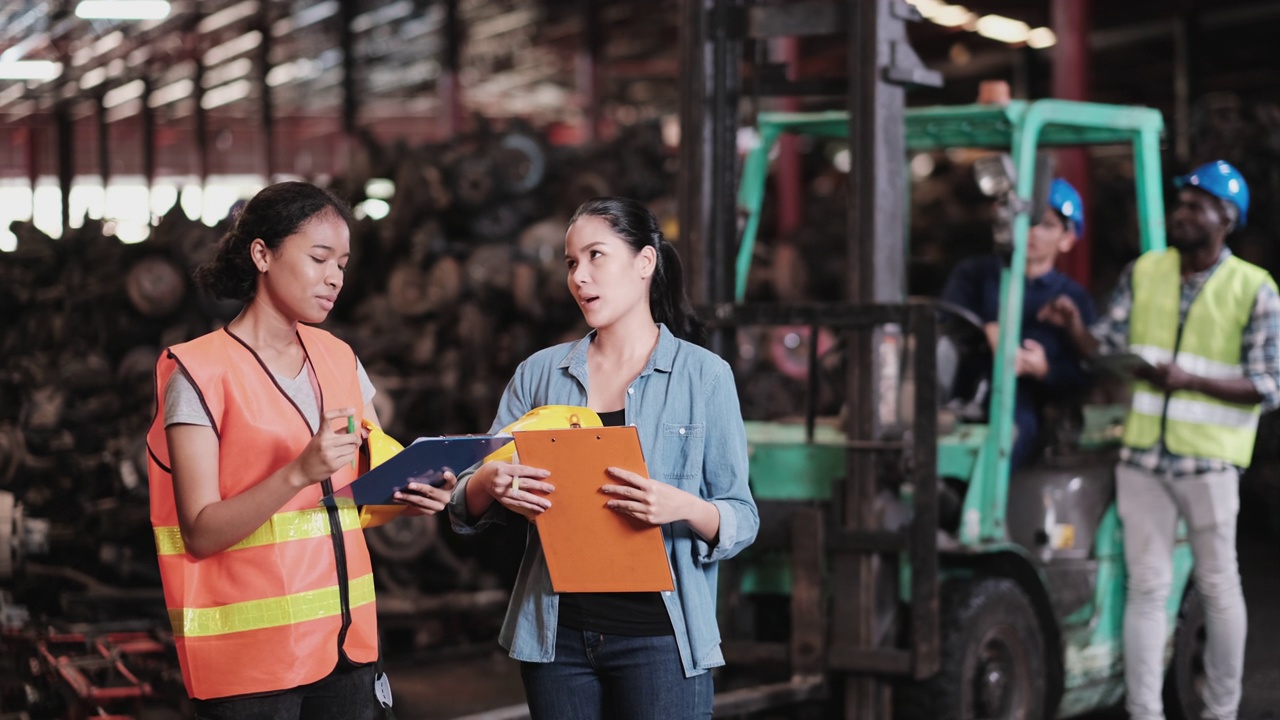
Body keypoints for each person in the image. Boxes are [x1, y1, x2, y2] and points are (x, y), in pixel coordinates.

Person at [146, 181, 452, 719]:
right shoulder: (198, 373)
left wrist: (416, 492)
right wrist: (297, 473)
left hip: (346, 650)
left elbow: (364, 494)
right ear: (262, 254)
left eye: (343, 262)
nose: (335, 276)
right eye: (318, 258)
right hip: (250, 668)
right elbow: (200, 530)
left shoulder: (339, 358)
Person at [448, 197, 759, 720]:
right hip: (557, 640)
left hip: (661, 641)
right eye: (572, 263)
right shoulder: (540, 374)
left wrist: (678, 505)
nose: (580, 277)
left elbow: (742, 516)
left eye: (596, 256)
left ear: (644, 263)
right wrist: (489, 483)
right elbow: (464, 498)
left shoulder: (703, 377)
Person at [1040, 160, 1280, 720]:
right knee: (1147, 589)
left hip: (1209, 463)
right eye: (1181, 204)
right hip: (1143, 460)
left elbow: (1269, 385)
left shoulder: (1255, 289)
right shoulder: (1145, 271)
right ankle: (1143, 712)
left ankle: (1221, 711)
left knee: (1219, 587)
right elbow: (1105, 345)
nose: (1182, 214)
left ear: (1226, 218)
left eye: (1196, 206)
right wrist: (1075, 326)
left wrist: (1189, 380)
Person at [941, 177, 1096, 467]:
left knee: (1012, 433)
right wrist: (988, 331)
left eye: (1047, 225)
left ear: (1067, 238)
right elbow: (945, 325)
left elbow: (1082, 373)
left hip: (1023, 402)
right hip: (959, 390)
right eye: (1026, 220)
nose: (1033, 231)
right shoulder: (975, 274)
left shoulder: (1072, 300)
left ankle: (987, 509)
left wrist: (1043, 369)